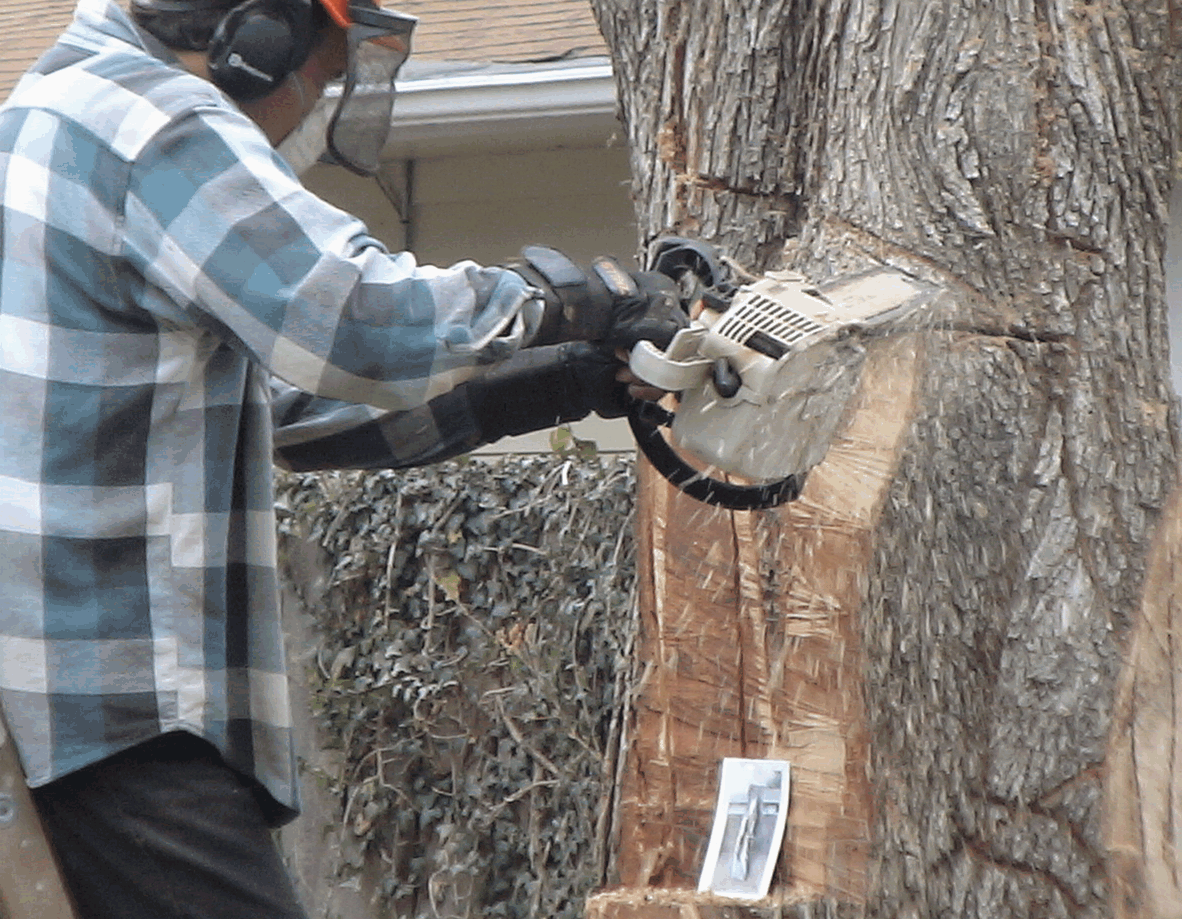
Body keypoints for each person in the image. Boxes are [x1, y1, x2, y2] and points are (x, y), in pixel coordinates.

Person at [0, 0, 685, 915]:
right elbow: (354, 317)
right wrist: (573, 300)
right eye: (322, 78)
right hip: (121, 704)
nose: (316, 106)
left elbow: (290, 410)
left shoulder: (44, 113)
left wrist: (553, 379)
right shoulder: (150, 118)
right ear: (254, 42)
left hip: (60, 703)